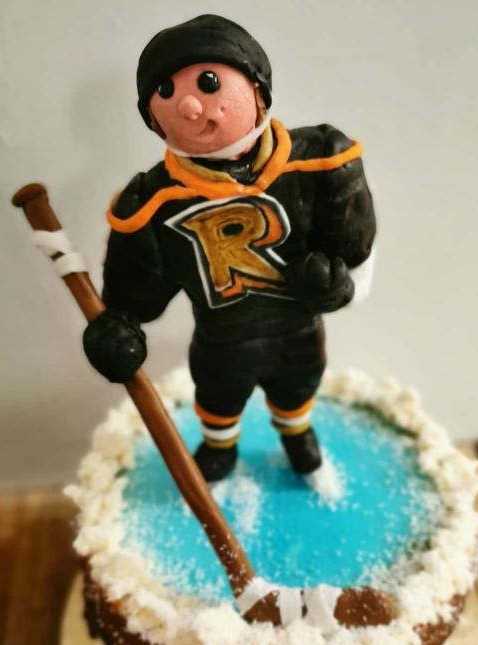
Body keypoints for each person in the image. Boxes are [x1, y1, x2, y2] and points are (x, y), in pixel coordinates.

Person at [83, 14, 376, 482]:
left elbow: (353, 254)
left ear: (257, 86)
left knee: (298, 385)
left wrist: (334, 285)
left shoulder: (320, 163)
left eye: (209, 82)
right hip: (221, 337)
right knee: (219, 394)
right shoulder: (152, 203)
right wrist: (115, 332)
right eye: (166, 92)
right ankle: (220, 445)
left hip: (297, 329)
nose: (190, 106)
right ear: (153, 119)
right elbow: (135, 297)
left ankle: (297, 432)